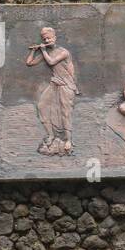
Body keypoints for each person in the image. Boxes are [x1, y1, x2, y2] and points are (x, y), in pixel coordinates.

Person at [26, 26, 79, 156]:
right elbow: (29, 63)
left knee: (65, 112)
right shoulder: (46, 52)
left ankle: (68, 140)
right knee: (42, 106)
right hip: (55, 83)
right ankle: (50, 135)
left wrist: (43, 50)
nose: (47, 40)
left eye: (49, 38)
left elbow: (51, 62)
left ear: (55, 37)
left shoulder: (63, 52)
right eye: (44, 39)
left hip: (66, 85)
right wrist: (34, 51)